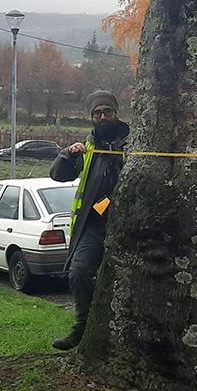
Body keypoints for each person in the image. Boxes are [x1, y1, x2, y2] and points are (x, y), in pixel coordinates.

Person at [49, 90, 129, 350]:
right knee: (79, 271)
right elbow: (58, 176)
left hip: (130, 225)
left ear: (116, 113)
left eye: (107, 111)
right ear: (91, 117)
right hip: (94, 224)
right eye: (97, 113)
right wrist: (68, 155)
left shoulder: (133, 141)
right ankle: (83, 328)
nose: (103, 116)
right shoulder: (87, 146)